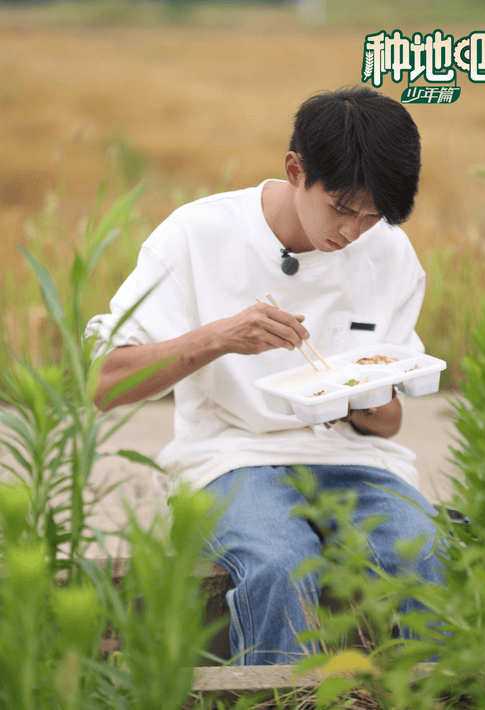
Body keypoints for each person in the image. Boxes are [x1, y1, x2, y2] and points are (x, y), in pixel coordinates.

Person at [86, 85, 443, 666]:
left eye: (373, 215)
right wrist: (220, 337)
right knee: (279, 561)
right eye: (342, 208)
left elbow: (389, 422)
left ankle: (437, 698)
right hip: (229, 457)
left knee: (423, 550)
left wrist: (357, 399)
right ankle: (278, 701)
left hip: (354, 460)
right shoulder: (198, 234)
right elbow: (105, 383)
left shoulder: (391, 252)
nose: (354, 231)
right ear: (295, 170)